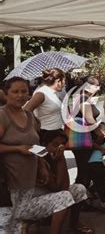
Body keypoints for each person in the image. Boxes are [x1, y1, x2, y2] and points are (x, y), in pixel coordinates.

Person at [0, 77, 74, 234]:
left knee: (67, 193)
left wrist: (42, 165)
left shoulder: (30, 116)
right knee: (64, 198)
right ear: (6, 95)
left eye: (24, 91)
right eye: (15, 92)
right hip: (13, 186)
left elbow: (36, 144)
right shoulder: (2, 115)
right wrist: (18, 149)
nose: (20, 95)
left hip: (33, 182)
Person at [71, 76, 105, 213]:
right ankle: (102, 201)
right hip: (85, 142)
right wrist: (100, 134)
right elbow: (89, 120)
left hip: (84, 141)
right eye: (96, 86)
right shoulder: (83, 100)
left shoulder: (81, 98)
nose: (97, 89)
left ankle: (80, 202)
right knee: (100, 174)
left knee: (85, 174)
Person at [39, 130, 94, 233]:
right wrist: (59, 161)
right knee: (64, 196)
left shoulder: (56, 156)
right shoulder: (41, 161)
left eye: (62, 145)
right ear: (44, 144)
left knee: (79, 188)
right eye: (55, 144)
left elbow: (64, 185)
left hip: (52, 193)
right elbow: (56, 188)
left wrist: (61, 159)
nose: (59, 148)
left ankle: (74, 223)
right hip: (37, 197)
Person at [24, 68, 66, 145]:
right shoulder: (41, 93)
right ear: (58, 81)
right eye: (64, 81)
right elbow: (27, 109)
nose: (64, 84)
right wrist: (36, 122)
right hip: (46, 133)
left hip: (56, 132)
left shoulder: (53, 93)